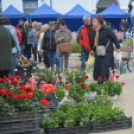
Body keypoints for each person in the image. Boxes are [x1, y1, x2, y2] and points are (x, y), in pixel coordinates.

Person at [92, 16, 120, 82]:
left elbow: (114, 38)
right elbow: (96, 41)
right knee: (98, 65)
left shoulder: (107, 29)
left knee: (104, 66)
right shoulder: (95, 30)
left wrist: (118, 47)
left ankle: (105, 80)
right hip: (99, 50)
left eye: (94, 21)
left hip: (107, 51)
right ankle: (99, 80)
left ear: (99, 22)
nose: (93, 23)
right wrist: (93, 50)